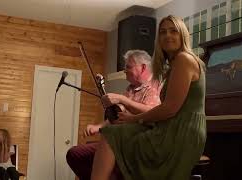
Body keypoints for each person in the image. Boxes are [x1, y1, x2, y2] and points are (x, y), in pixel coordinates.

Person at [90, 14, 207, 180]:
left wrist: (133, 119)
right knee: (112, 132)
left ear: (183, 35)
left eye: (173, 31)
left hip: (182, 133)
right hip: (175, 128)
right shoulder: (174, 65)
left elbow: (169, 109)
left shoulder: (184, 59)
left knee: (111, 134)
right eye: (163, 32)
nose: (168, 35)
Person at [66, 49, 162, 180]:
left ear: (143, 67)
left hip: (137, 143)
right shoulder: (130, 89)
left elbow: (152, 112)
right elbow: (118, 116)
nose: (124, 70)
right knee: (75, 154)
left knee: (107, 155)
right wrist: (98, 126)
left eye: (128, 67)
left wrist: (123, 100)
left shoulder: (155, 86)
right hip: (119, 139)